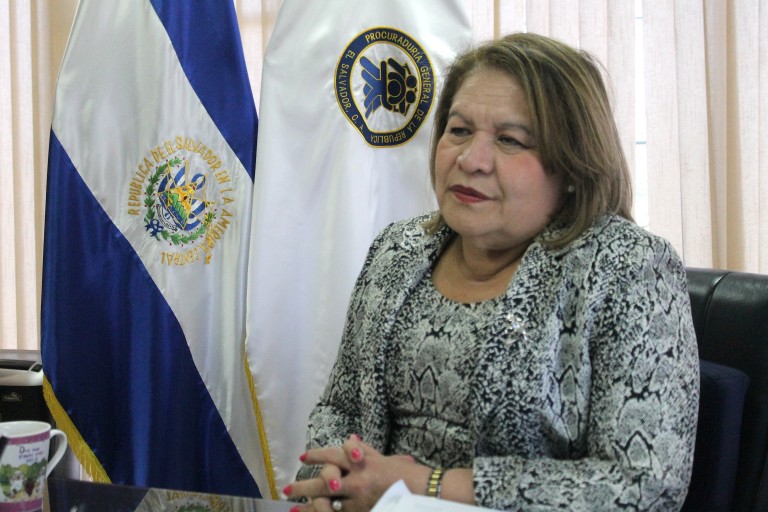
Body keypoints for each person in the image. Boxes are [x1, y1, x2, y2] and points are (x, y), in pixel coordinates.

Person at [283, 32, 700, 511]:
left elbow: (644, 484)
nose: (470, 160)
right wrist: (334, 483)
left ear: (572, 168)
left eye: (509, 140)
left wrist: (426, 488)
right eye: (459, 131)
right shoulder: (397, 249)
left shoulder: (629, 267)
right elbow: (340, 409)